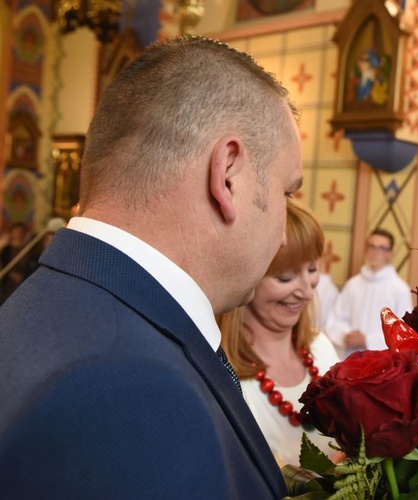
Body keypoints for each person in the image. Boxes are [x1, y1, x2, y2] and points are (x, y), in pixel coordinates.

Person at [0, 37, 303, 499]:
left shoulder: (50, 301)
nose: (283, 236)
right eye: (287, 192)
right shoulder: (132, 389)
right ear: (228, 175)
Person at [218, 199, 339, 467]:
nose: (307, 291)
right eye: (286, 277)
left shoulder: (321, 347)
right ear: (247, 276)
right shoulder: (224, 376)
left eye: (312, 269)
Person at [325, 229, 413, 357]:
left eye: (381, 248)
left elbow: (403, 331)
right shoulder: (352, 285)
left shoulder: (400, 289)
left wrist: (368, 340)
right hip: (351, 357)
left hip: (383, 360)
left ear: (390, 254)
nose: (375, 252)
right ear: (366, 250)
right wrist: (347, 334)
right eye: (371, 246)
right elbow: (336, 318)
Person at [0, 222, 31, 304]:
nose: (18, 234)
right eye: (16, 231)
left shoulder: (28, 249)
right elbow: (4, 264)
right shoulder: (6, 249)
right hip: (7, 283)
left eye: (21, 232)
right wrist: (12, 274)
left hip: (22, 282)